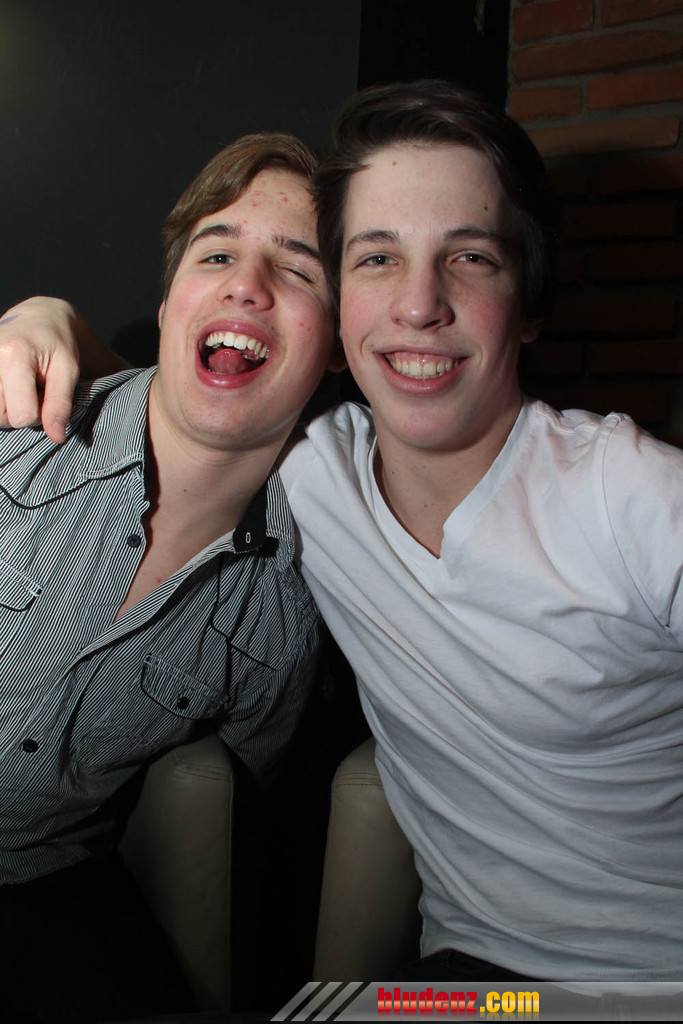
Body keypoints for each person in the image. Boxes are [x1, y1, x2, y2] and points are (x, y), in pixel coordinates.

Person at [3, 81, 683, 983]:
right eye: (376, 258)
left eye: (470, 257)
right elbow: (181, 401)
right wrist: (46, 316)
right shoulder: (310, 472)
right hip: (468, 983)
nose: (419, 304)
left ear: (528, 304)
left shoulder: (631, 494)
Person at [0, 130, 338, 1023]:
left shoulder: (284, 612)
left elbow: (252, 813)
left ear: (340, 341)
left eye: (297, 268)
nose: (246, 285)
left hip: (37, 884)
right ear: (166, 303)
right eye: (216, 253)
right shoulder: (16, 426)